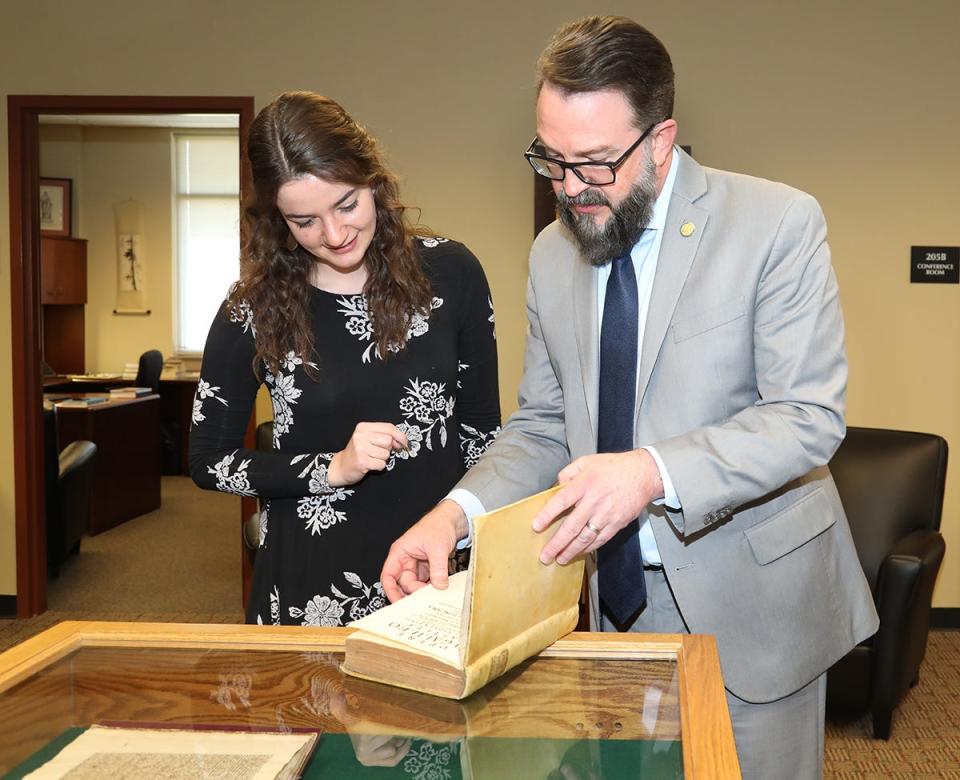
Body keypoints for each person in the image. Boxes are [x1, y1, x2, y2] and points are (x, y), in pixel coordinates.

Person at [380, 16, 878, 778]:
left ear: (661, 139)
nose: (571, 188)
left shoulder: (776, 223)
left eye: (595, 163)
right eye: (552, 160)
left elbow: (805, 417)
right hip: (609, 607)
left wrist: (650, 471)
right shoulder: (552, 253)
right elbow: (545, 424)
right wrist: (453, 517)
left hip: (754, 604)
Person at [190, 91, 500, 628]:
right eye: (303, 221)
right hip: (309, 588)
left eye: (347, 205)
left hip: (433, 576)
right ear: (276, 219)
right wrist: (331, 468)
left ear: (373, 179)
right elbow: (209, 463)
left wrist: (461, 533)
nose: (333, 235)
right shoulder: (251, 310)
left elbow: (482, 438)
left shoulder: (453, 276)